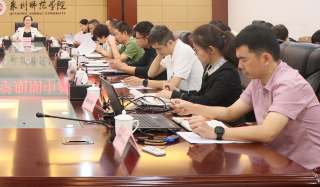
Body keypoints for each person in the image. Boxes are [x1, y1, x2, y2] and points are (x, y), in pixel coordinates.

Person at [173, 24, 320, 171]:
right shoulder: (258, 80)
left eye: (244, 60)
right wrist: (191, 107)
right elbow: (230, 112)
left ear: (266, 58)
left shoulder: (289, 84)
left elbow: (268, 133)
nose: (239, 66)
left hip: (306, 170)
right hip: (274, 159)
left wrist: (215, 132)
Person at [155, 24, 243, 117]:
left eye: (196, 49)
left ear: (211, 50)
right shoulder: (210, 66)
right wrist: (177, 90)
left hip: (224, 123)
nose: (195, 53)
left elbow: (206, 101)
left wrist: (173, 95)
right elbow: (201, 94)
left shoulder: (227, 73)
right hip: (210, 117)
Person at [124, 25, 203, 91]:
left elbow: (172, 85)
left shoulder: (183, 51)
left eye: (159, 48)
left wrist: (143, 82)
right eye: (155, 49)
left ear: (170, 43)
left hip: (190, 98)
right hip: (176, 96)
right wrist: (160, 54)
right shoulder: (170, 51)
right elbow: (151, 74)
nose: (157, 51)